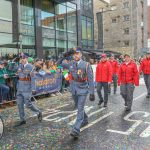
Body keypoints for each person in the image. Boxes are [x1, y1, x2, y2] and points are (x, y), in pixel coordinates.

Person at [59, 47, 95, 138]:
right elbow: (59, 64)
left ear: (81, 55)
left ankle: (76, 129)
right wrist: (64, 55)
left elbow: (90, 79)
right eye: (74, 54)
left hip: (83, 89)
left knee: (79, 108)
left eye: (77, 53)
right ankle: (85, 118)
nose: (76, 55)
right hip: (74, 89)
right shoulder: (70, 63)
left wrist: (92, 92)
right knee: (79, 107)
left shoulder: (86, 65)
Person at [15, 53, 42, 126]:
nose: (22, 60)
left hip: (27, 88)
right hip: (20, 88)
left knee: (28, 104)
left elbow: (33, 78)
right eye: (21, 58)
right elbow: (10, 69)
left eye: (23, 58)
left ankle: (38, 112)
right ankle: (22, 120)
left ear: (26, 58)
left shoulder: (30, 67)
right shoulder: (19, 66)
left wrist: (33, 89)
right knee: (19, 104)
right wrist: (14, 61)